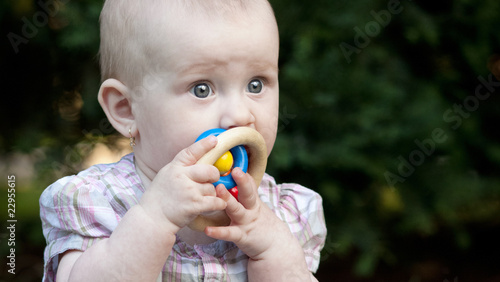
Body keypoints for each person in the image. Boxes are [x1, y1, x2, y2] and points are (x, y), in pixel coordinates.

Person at [39, 0, 327, 281]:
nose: (240, 115)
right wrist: (154, 220)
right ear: (126, 108)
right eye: (202, 89)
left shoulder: (284, 213)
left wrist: (274, 252)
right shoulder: (98, 204)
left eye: (256, 84)